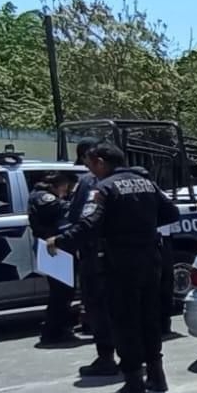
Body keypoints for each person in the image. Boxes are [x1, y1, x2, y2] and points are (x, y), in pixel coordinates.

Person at [48, 143, 181, 393]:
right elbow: (171, 212)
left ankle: (133, 384)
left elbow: (88, 224)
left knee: (125, 322)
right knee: (149, 318)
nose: (88, 170)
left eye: (89, 164)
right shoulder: (146, 183)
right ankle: (156, 374)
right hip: (150, 258)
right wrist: (141, 226)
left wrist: (60, 242)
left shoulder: (103, 188)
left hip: (121, 262)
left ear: (100, 161)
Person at [66, 138, 116, 377]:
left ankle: (107, 358)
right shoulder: (138, 179)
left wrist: (66, 241)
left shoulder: (88, 182)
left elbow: (78, 216)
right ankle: (145, 367)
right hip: (127, 255)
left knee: (98, 307)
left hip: (95, 255)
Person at [28, 172, 76, 346]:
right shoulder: (44, 197)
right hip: (52, 247)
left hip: (55, 246)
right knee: (60, 292)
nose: (66, 190)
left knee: (63, 291)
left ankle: (60, 327)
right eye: (65, 187)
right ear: (58, 185)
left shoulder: (42, 194)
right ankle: (52, 331)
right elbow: (62, 208)